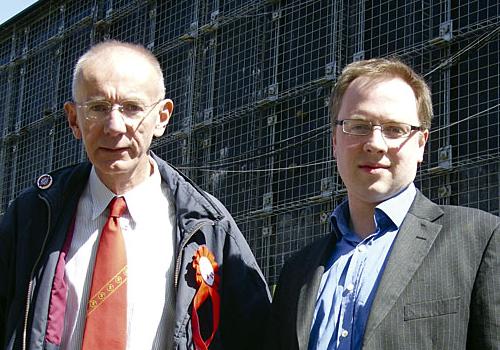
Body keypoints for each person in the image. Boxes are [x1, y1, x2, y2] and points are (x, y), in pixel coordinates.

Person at [0, 40, 270, 350]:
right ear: (74, 119)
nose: (114, 127)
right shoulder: (31, 218)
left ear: (162, 118)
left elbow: (256, 335)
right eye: (98, 108)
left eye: (132, 108)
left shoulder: (210, 228)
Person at [267, 58, 499, 350]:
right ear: (335, 142)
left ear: (421, 144)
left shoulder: (480, 241)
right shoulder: (296, 273)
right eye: (358, 126)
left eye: (394, 129)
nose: (375, 143)